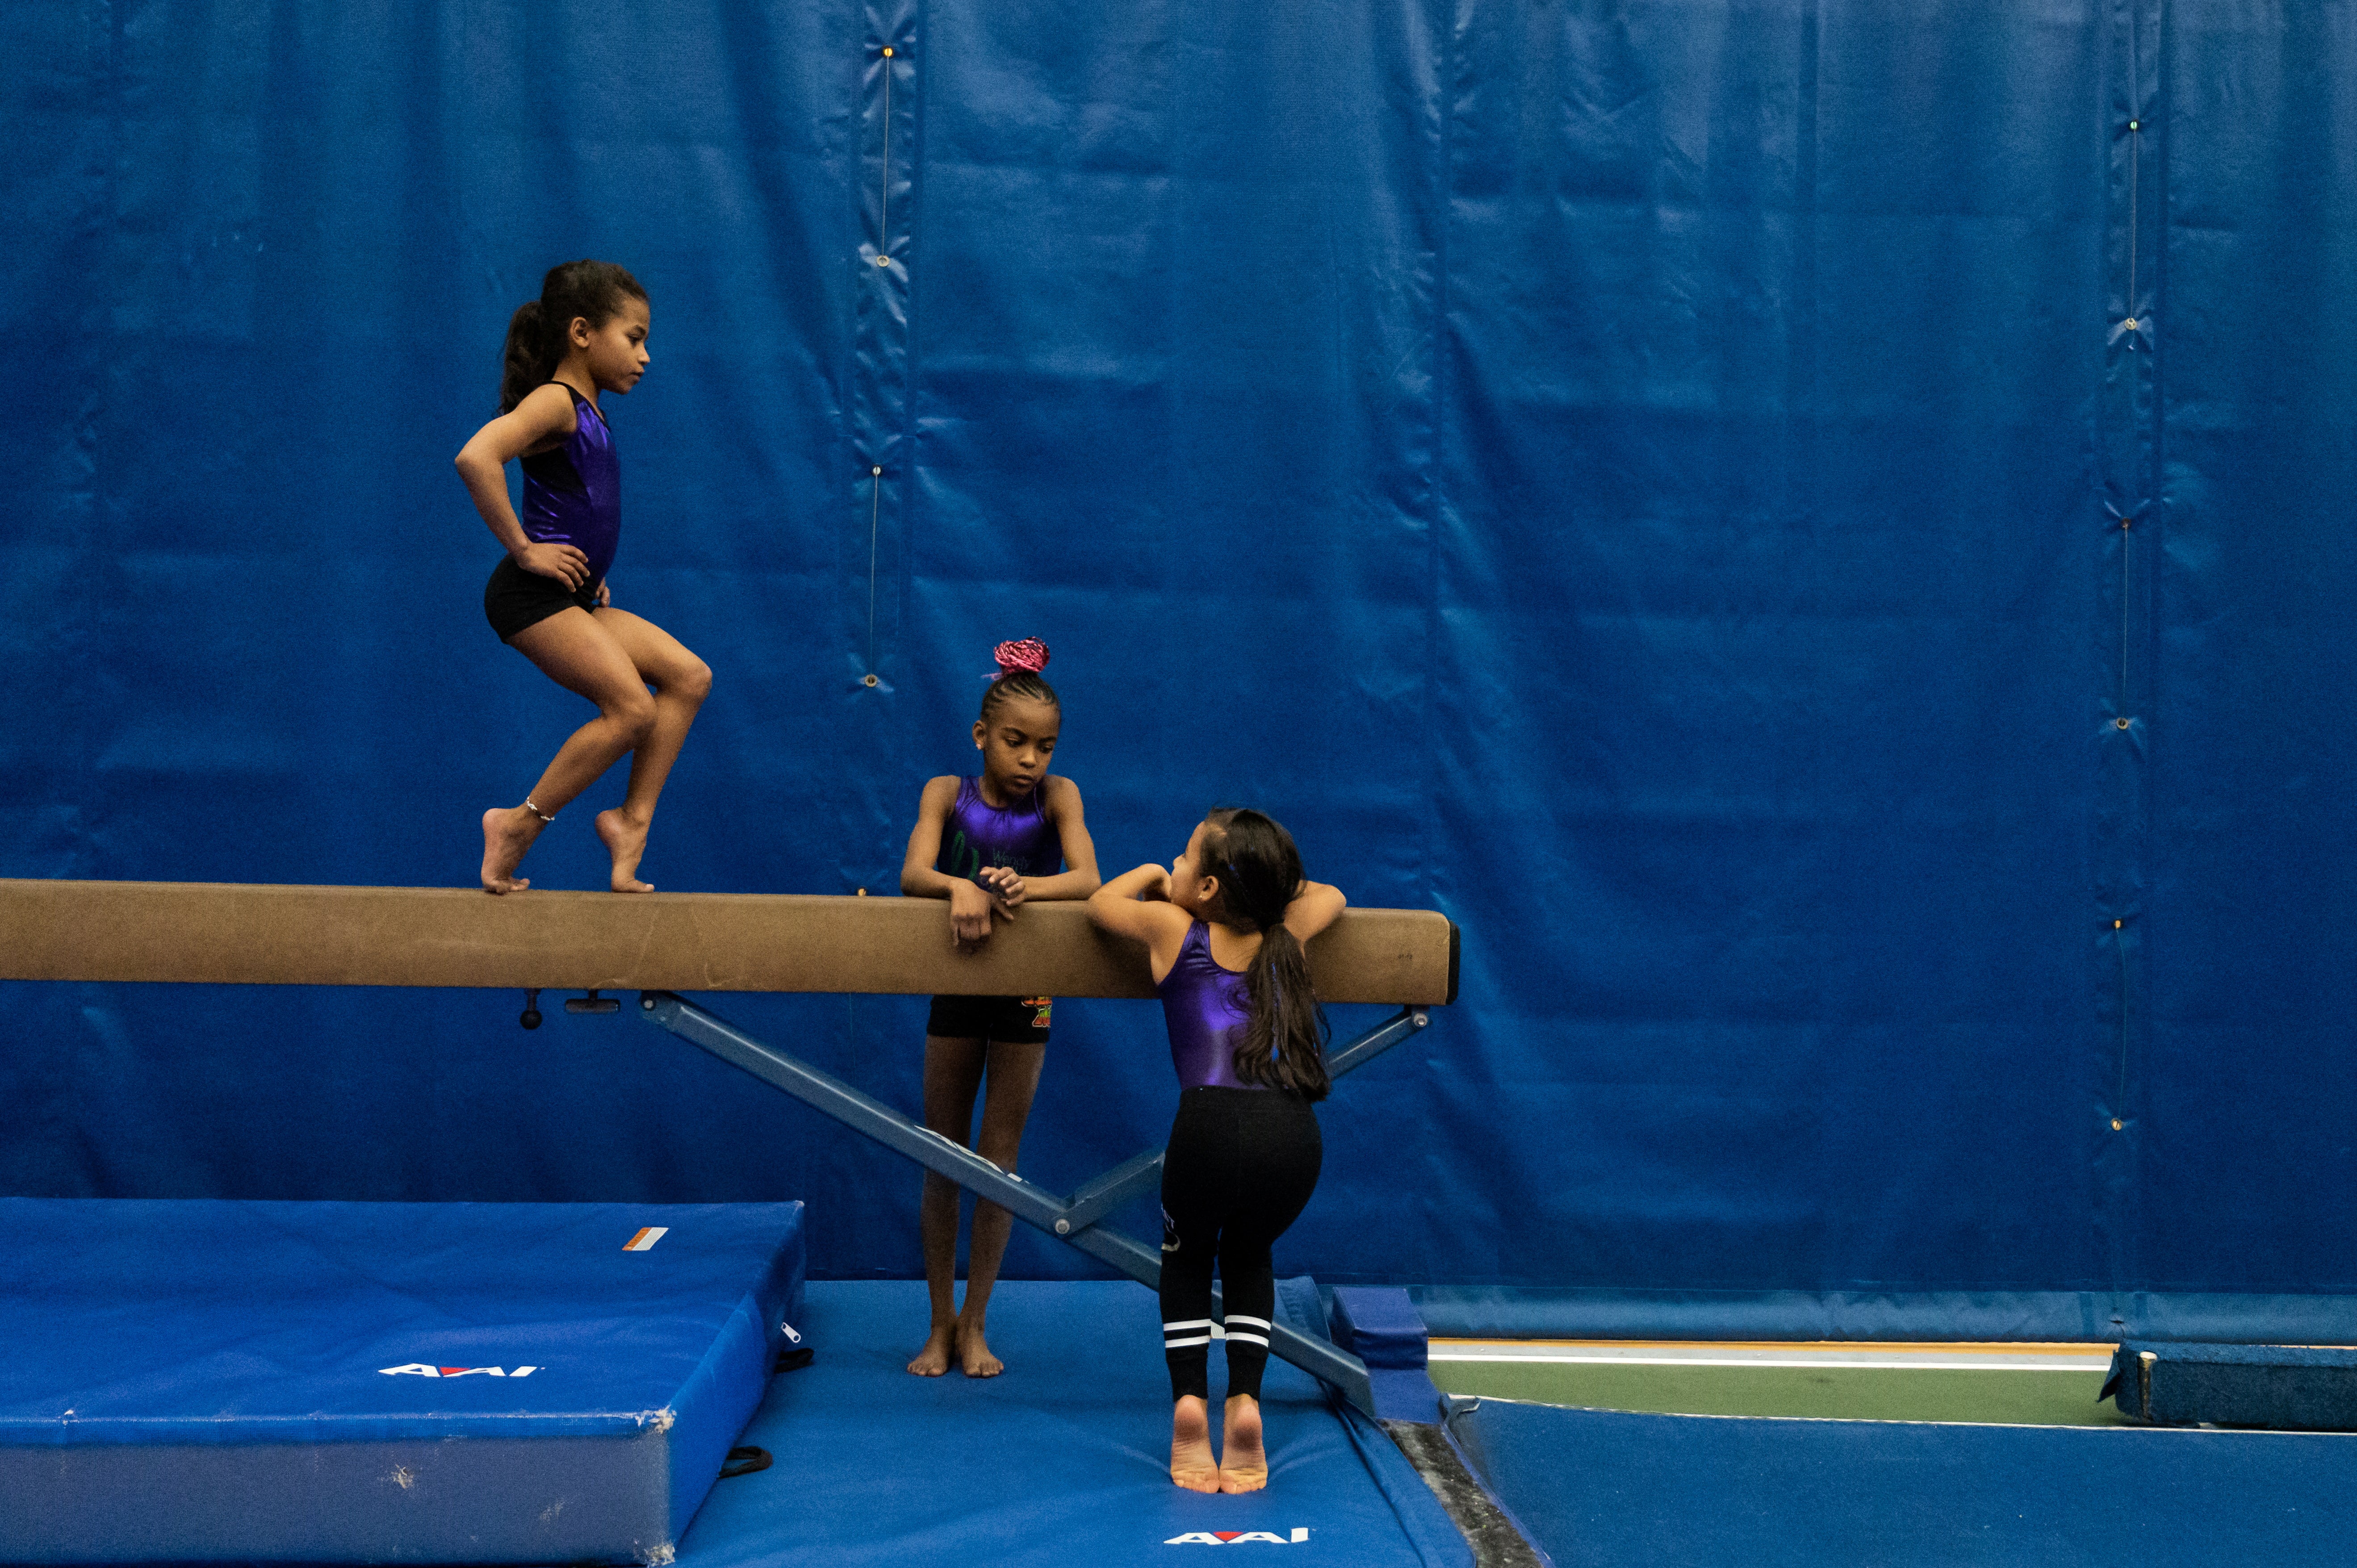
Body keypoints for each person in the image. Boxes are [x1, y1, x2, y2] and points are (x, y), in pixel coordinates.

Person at [1087, 809, 1345, 1494]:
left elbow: (1100, 906)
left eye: (1181, 860)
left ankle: (1189, 1407)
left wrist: (1147, 875)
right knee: (1250, 1253)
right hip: (1292, 1137)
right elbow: (1331, 895)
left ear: (1204, 891)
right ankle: (1247, 1403)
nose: (1170, 864)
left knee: (1188, 1259)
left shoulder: (1174, 928)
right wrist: (1268, 887)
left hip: (1207, 1129)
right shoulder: (1286, 935)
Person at [454, 259, 711, 895]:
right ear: (581, 332)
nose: (645, 356)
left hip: (570, 596)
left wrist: (587, 572)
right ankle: (518, 823)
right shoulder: (556, 401)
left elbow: (578, 500)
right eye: (635, 337)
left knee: (686, 677)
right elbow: (476, 456)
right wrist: (524, 548)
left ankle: (631, 822)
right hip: (529, 595)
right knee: (628, 709)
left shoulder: (588, 412)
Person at [899, 639, 1101, 1377]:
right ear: (981, 736)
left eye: (1044, 747)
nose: (1030, 761)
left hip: (1026, 990)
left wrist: (1024, 888)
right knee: (941, 1156)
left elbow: (1085, 877)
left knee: (999, 1160)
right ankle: (938, 1322)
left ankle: (977, 1321)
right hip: (958, 979)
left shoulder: (1059, 797)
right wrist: (962, 886)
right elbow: (913, 871)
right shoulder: (943, 792)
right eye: (1015, 743)